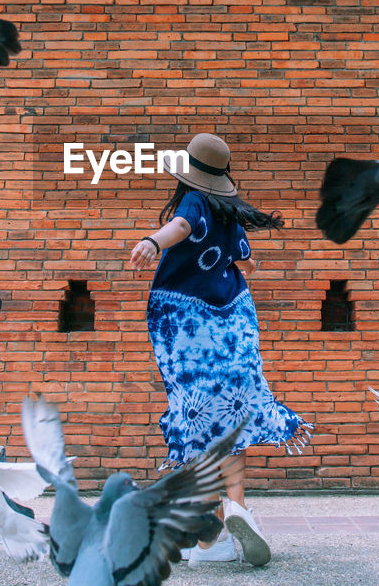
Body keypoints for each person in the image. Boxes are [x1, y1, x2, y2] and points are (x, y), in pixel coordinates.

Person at [129, 133, 310, 567]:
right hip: (232, 327)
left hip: (189, 329)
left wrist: (154, 242)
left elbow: (181, 227)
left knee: (197, 422)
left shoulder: (194, 202)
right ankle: (234, 511)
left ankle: (212, 536)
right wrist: (232, 262)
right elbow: (248, 262)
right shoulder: (231, 216)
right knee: (229, 416)